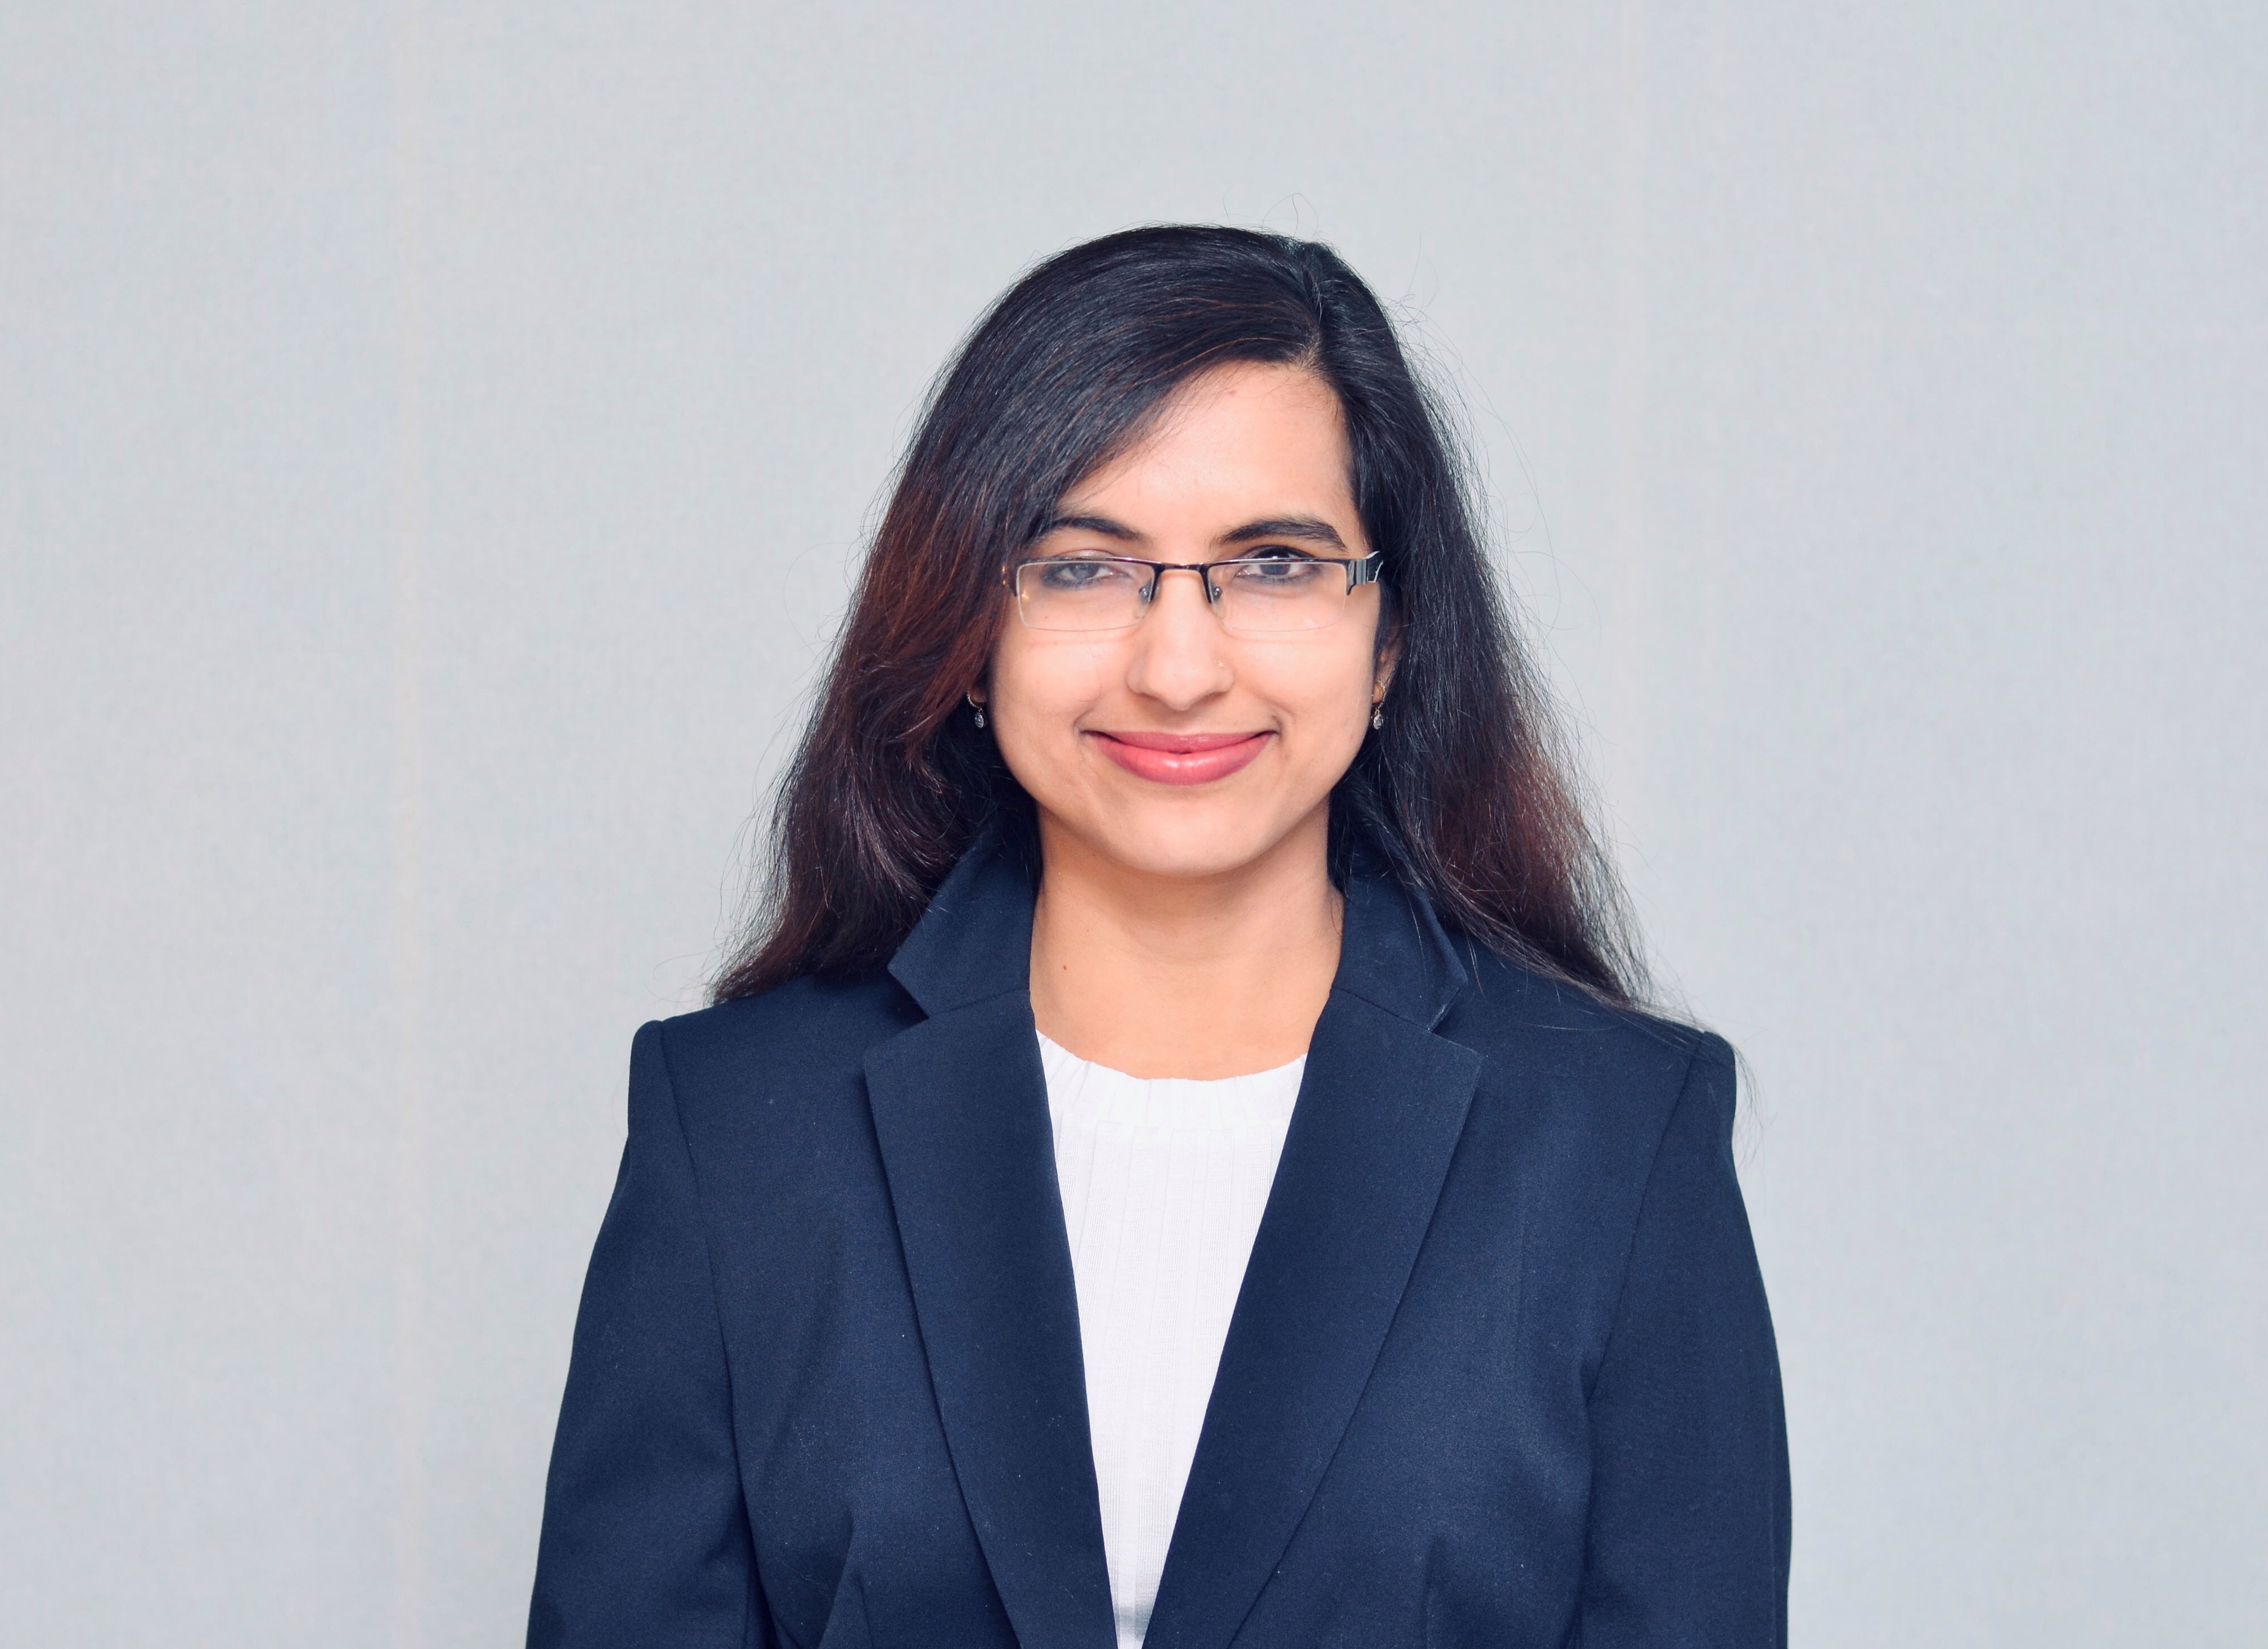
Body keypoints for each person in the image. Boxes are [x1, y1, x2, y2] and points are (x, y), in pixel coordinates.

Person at [527, 225, 1789, 1648]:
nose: (1179, 667)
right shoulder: (743, 1130)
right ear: (968, 634)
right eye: (1082, 567)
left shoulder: (1615, 1139)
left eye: (1275, 564)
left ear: (1391, 644)